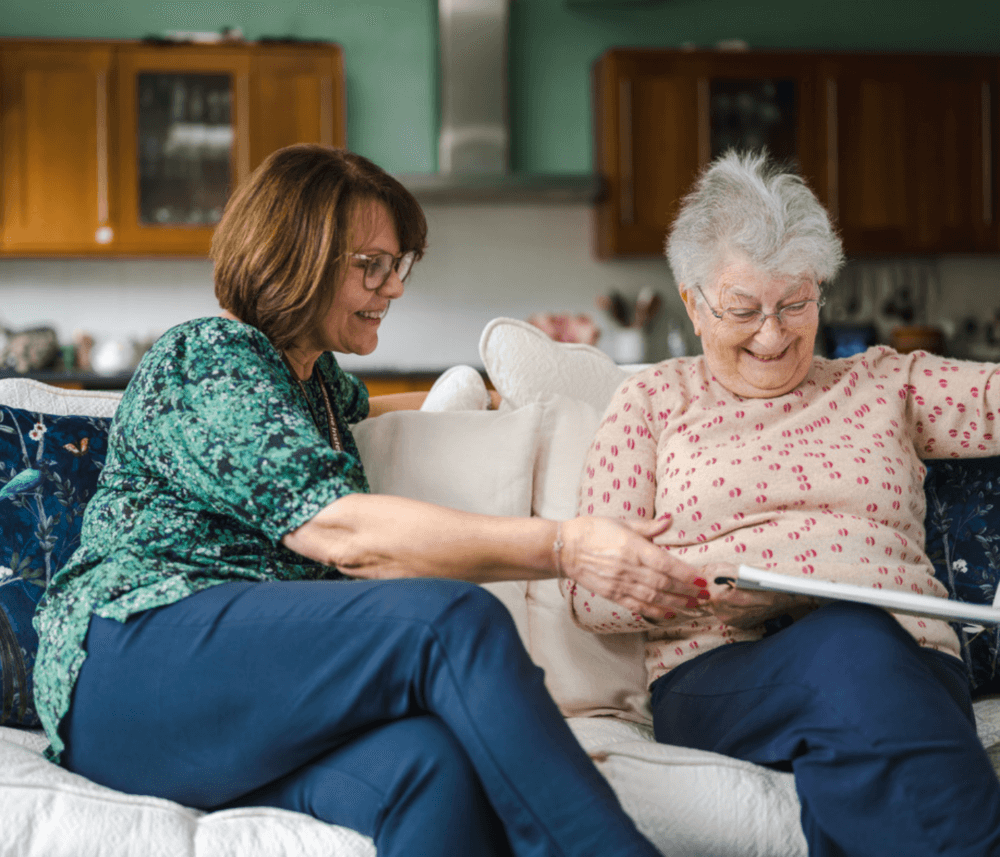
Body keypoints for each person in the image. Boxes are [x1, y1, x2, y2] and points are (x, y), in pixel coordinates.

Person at [31, 144, 709, 857]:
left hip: (229, 702)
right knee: (448, 618)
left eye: (400, 265)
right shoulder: (208, 357)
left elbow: (389, 410)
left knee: (429, 767)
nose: (394, 287)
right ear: (298, 254)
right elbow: (343, 531)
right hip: (130, 666)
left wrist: (507, 399)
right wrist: (566, 545)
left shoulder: (316, 384)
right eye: (372, 265)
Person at [566, 149, 1000, 857]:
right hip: (723, 673)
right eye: (745, 310)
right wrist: (707, 590)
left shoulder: (883, 383)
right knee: (851, 644)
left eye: (795, 305)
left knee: (859, 709)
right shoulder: (653, 400)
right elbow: (592, 591)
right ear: (692, 303)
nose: (773, 334)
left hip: (913, 660)